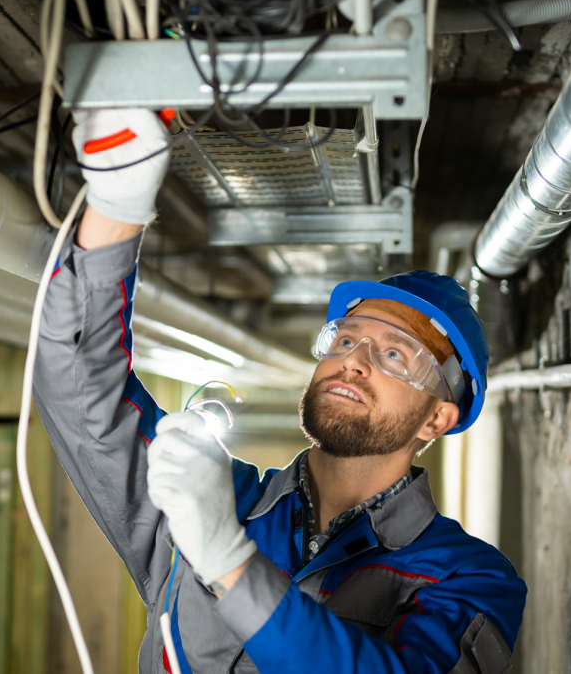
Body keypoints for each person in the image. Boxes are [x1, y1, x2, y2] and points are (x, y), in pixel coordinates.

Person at [34, 108, 527, 674]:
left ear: (436, 419)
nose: (354, 362)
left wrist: (229, 562)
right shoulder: (212, 497)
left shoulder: (469, 576)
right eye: (345, 340)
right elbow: (78, 382)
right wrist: (117, 203)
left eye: (394, 354)